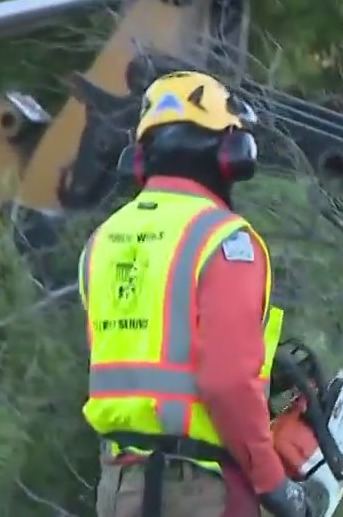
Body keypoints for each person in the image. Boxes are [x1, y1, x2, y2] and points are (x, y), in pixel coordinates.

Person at [76, 70, 311, 517]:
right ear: (229, 153)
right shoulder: (224, 239)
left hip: (120, 484)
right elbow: (225, 382)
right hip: (197, 488)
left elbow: (148, 357)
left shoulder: (104, 240)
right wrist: (273, 483)